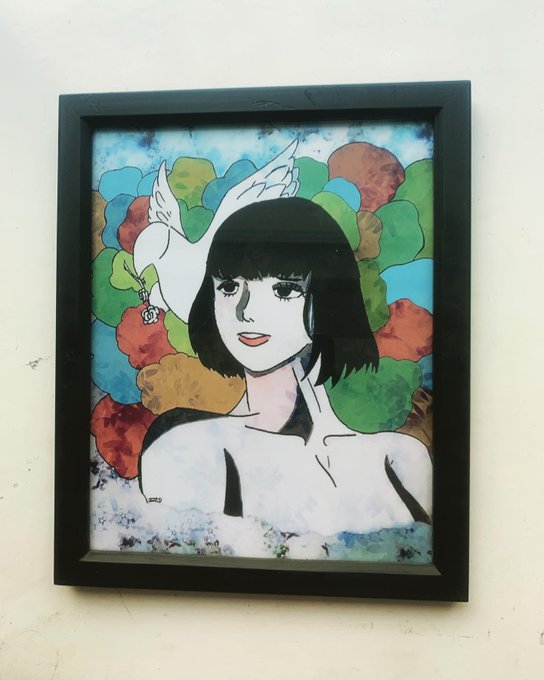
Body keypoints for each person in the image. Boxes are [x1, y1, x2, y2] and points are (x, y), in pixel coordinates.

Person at [138, 198, 432, 537]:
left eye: (283, 289)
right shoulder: (190, 448)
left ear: (327, 297)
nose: (246, 311)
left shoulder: (400, 459)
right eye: (230, 287)